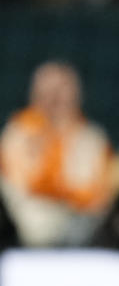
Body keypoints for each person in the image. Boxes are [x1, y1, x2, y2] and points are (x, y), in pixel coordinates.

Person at [0, 61, 112, 246]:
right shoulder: (20, 130)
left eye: (61, 89)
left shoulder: (90, 138)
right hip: (22, 218)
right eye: (47, 90)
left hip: (74, 224)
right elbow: (18, 184)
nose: (53, 97)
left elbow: (92, 196)